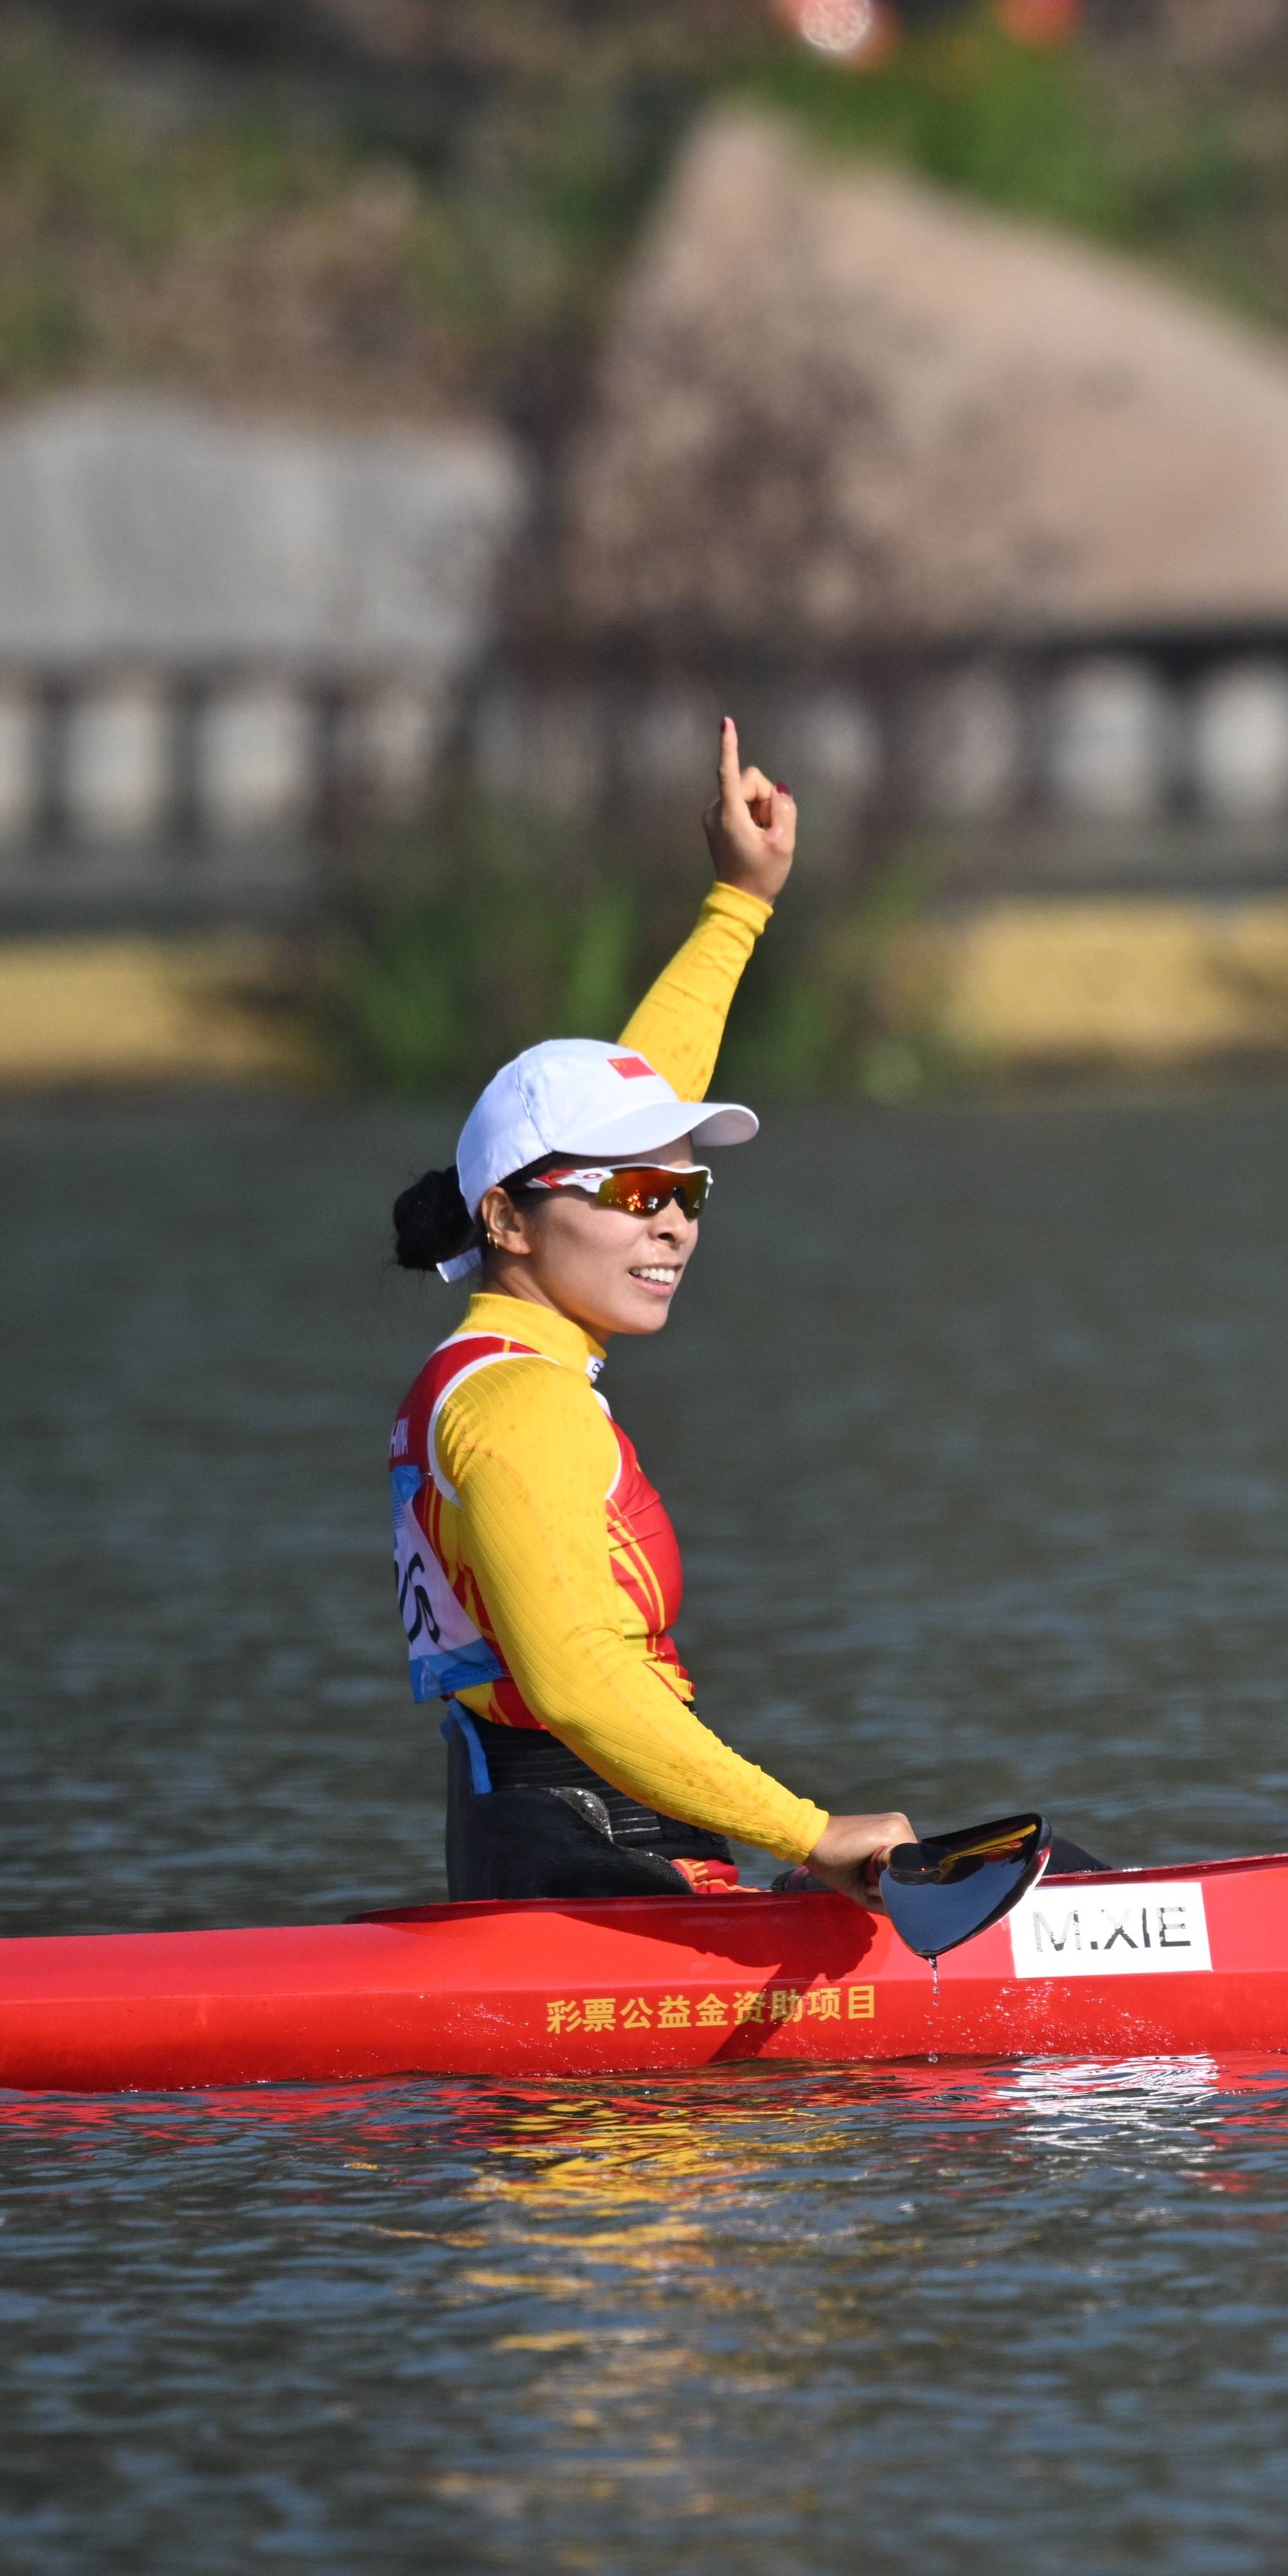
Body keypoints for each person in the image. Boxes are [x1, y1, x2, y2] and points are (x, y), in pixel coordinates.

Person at [382, 720, 920, 1905]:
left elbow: (633, 1095)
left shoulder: (498, 1358)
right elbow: (574, 1683)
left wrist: (741, 902)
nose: (672, 1222)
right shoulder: (518, 1408)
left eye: (686, 1191)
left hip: (579, 1844)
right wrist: (810, 1832)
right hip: (579, 1857)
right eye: (633, 1196)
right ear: (510, 1223)